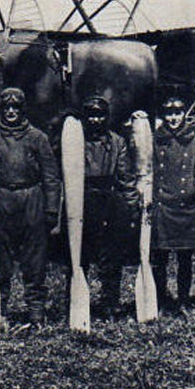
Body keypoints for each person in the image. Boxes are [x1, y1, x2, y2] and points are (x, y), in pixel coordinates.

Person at [0, 87, 61, 327]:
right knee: (1, 261)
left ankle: (36, 313)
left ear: (23, 110)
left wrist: (52, 210)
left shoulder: (37, 138)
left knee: (35, 261)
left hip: (32, 198)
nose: (11, 112)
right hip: (2, 200)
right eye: (7, 108)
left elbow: (51, 176)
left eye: (16, 108)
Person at [150, 92, 195, 312]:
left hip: (186, 208)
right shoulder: (154, 141)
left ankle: (183, 301)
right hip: (162, 208)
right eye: (169, 113)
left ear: (184, 114)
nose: (173, 118)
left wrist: (191, 190)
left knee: (185, 260)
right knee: (159, 259)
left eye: (177, 113)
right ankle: (160, 301)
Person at [79, 95, 138, 319]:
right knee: (80, 256)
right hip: (82, 201)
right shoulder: (75, 140)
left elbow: (126, 178)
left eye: (100, 115)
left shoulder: (117, 142)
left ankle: (110, 303)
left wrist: (132, 208)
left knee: (112, 259)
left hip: (109, 203)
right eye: (91, 115)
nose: (95, 120)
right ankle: (76, 302)